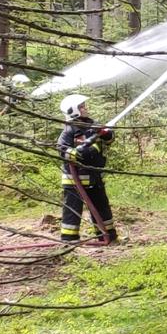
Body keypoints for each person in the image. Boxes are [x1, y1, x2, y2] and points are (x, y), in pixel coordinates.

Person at [56, 94, 118, 244]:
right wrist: (79, 152)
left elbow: (109, 140)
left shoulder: (93, 125)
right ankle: (69, 239)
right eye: (82, 106)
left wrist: (107, 134)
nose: (86, 108)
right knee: (72, 210)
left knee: (101, 208)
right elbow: (62, 150)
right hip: (74, 181)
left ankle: (107, 236)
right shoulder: (69, 130)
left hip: (94, 178)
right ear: (74, 111)